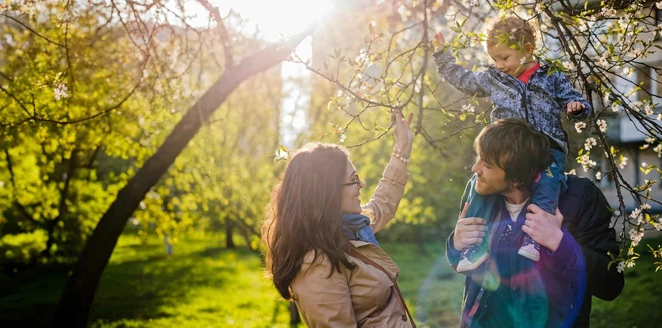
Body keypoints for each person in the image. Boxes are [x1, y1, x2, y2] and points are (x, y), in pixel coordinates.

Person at [433, 15, 591, 272]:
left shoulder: (550, 75)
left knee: (549, 184)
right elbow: (463, 79)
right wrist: (442, 56)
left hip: (546, 147)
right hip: (506, 148)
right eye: (494, 59)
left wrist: (577, 108)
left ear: (527, 50)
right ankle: (475, 245)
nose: (499, 65)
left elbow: (572, 99)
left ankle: (534, 237)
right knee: (480, 185)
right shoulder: (494, 78)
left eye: (504, 58)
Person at [447, 119, 624, 328]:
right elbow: (464, 266)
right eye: (478, 158)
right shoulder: (481, 197)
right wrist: (455, 245)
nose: (475, 168)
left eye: (486, 164)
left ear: (517, 179)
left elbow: (611, 284)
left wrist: (559, 243)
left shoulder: (580, 197)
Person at [263, 110, 417, 327]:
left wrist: (402, 150)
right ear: (327, 192)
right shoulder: (316, 264)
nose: (361, 185)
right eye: (353, 180)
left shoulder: (349, 228)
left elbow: (382, 205)